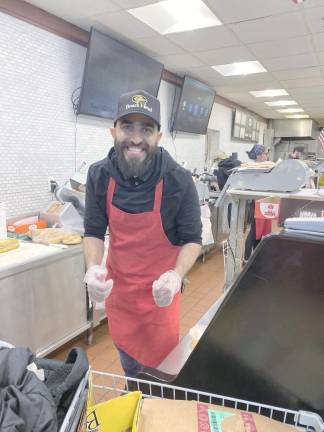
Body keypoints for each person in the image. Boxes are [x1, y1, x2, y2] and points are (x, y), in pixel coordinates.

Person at [83, 89, 202, 377]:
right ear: (113, 131)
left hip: (160, 300)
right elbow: (93, 231)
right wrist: (93, 269)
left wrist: (175, 277)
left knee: (160, 376)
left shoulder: (178, 180)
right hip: (120, 296)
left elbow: (192, 240)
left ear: (158, 136)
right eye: (127, 127)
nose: (135, 138)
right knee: (128, 365)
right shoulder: (99, 175)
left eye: (146, 129)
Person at [243, 145, 273, 262]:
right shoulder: (253, 168)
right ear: (259, 155)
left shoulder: (265, 166)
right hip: (257, 202)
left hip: (264, 200)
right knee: (255, 230)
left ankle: (255, 256)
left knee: (261, 231)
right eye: (265, 153)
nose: (267, 155)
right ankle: (246, 258)